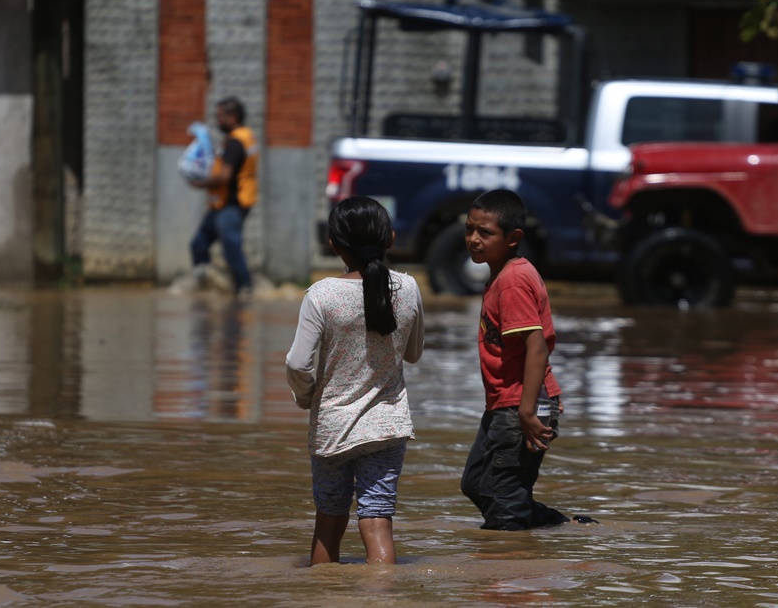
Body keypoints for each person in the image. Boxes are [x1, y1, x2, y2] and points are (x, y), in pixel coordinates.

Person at [286, 196, 425, 565]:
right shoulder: (408, 289)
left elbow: (299, 364)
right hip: (387, 426)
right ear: (391, 239)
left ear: (333, 245)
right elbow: (412, 353)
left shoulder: (322, 295)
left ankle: (324, 597)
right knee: (377, 521)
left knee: (329, 522)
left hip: (333, 427)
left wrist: (307, 398)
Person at [459, 189, 595, 530]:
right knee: (477, 485)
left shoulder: (513, 281)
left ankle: (511, 573)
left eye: (485, 233)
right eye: (469, 229)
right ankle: (564, 526)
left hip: (522, 402)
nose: (474, 239)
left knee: (504, 503)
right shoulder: (503, 274)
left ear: (513, 238)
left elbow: (537, 347)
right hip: (506, 402)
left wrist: (527, 410)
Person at [188, 97, 259, 296]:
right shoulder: (243, 136)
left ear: (232, 117)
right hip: (222, 205)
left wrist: (199, 182)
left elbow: (224, 176)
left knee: (231, 247)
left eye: (220, 116)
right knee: (198, 244)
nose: (217, 120)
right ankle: (207, 286)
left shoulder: (236, 142)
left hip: (231, 205)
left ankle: (244, 288)